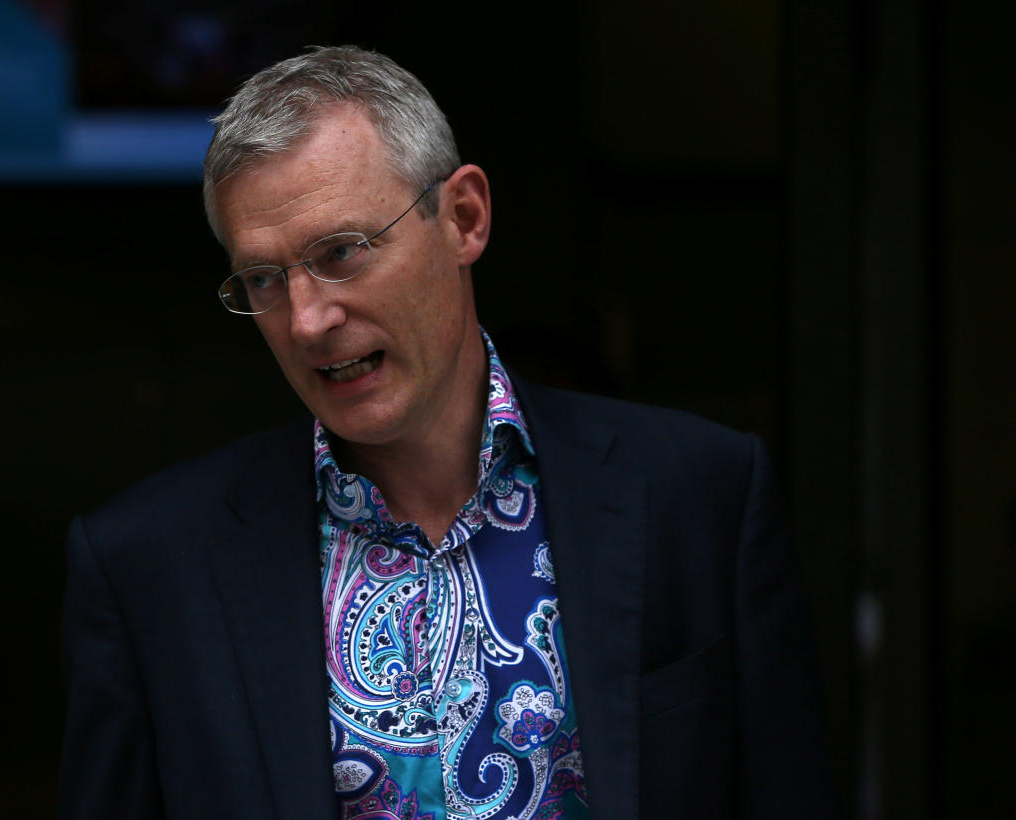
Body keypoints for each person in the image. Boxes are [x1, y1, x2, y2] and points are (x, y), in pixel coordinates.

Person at [59, 46, 839, 820]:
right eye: (264, 279)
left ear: (464, 218)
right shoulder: (150, 566)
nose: (306, 320)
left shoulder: (698, 495)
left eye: (341, 253)